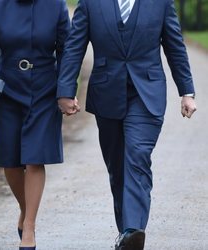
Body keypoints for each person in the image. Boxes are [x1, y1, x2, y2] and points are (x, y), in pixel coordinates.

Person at [57, 0, 197, 249]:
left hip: (147, 94)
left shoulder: (161, 3)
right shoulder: (90, 3)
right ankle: (127, 235)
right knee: (117, 166)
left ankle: (133, 229)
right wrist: (66, 91)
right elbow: (74, 46)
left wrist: (187, 91)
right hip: (106, 94)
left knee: (137, 156)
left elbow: (174, 45)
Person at [0, 0, 70, 249]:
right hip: (7, 89)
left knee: (35, 158)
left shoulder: (56, 5)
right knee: (10, 160)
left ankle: (29, 227)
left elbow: (66, 50)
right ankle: (24, 208)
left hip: (44, 89)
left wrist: (66, 91)